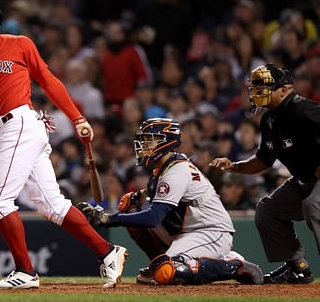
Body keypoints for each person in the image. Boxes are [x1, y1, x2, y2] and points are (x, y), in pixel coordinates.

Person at [0, 0, 128, 289]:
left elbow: (48, 80)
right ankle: (108, 252)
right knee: (53, 205)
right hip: (9, 130)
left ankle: (25, 271)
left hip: (20, 122)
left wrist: (77, 117)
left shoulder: (18, 43)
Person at [78, 117, 263, 285]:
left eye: (150, 140)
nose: (144, 146)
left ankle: (234, 265)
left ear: (166, 142)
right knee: (131, 211)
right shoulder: (165, 167)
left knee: (167, 272)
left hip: (210, 231)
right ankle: (163, 260)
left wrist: (108, 219)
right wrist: (139, 196)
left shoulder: (176, 170)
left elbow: (153, 218)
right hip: (188, 231)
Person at [210, 63, 319, 284]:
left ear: (284, 89)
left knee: (313, 205)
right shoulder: (269, 120)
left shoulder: (303, 109)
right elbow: (264, 159)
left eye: (264, 86)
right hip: (304, 180)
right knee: (268, 210)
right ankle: (297, 268)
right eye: (256, 87)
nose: (257, 91)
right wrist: (236, 166)